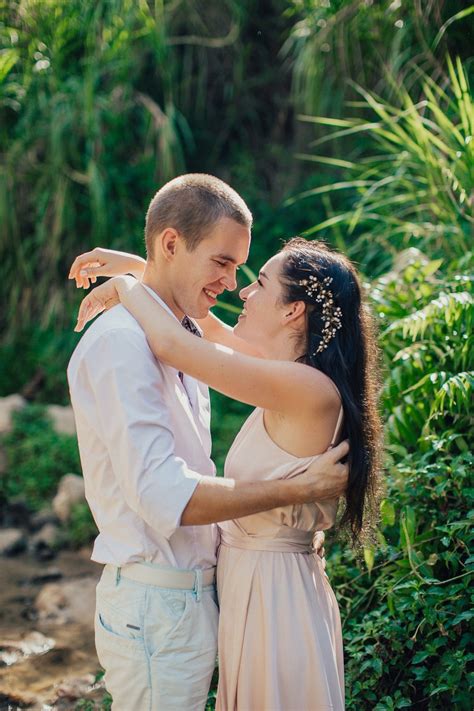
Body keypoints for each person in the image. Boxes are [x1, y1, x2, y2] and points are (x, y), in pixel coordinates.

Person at [67, 174, 350, 710]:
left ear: (294, 311)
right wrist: (137, 276)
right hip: (163, 605)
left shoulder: (206, 345)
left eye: (250, 276)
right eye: (223, 263)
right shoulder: (129, 343)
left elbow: (187, 337)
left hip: (221, 601)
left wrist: (134, 282)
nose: (236, 285)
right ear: (172, 245)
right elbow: (162, 493)